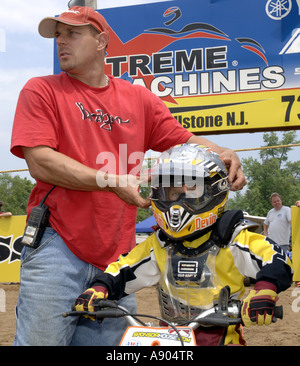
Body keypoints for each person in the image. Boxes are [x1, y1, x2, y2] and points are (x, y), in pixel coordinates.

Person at [10, 6, 245, 346]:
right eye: (58, 35)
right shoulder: (42, 90)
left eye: (72, 34)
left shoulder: (138, 98)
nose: (61, 42)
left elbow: (186, 141)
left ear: (102, 41)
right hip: (55, 246)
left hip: (118, 259)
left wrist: (224, 153)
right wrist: (113, 181)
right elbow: (40, 162)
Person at [74, 144, 293, 346]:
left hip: (223, 338)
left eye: (191, 191)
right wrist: (100, 288)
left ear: (213, 190)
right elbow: (125, 266)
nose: (178, 203)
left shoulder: (232, 238)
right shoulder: (160, 243)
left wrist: (265, 290)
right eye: (173, 193)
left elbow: (275, 258)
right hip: (170, 338)